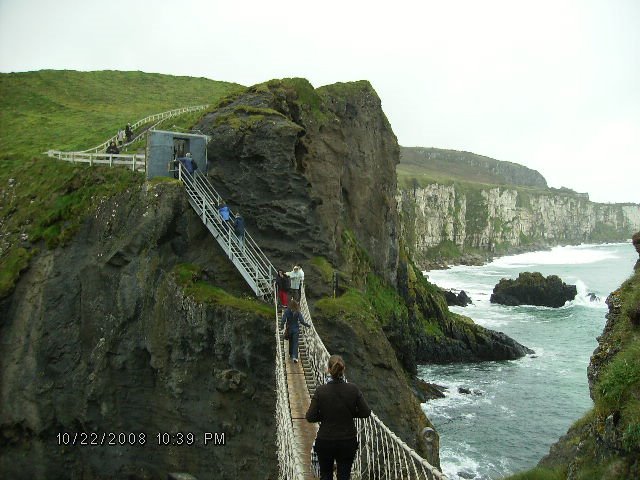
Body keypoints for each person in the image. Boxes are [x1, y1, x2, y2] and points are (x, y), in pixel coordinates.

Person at [306, 355, 371, 480]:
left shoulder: (321, 390)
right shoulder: (353, 389)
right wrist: (350, 413)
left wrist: (325, 415)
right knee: (344, 476)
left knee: (326, 476)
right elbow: (366, 412)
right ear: (344, 369)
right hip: (347, 441)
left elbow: (310, 416)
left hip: (325, 441)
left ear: (329, 370)